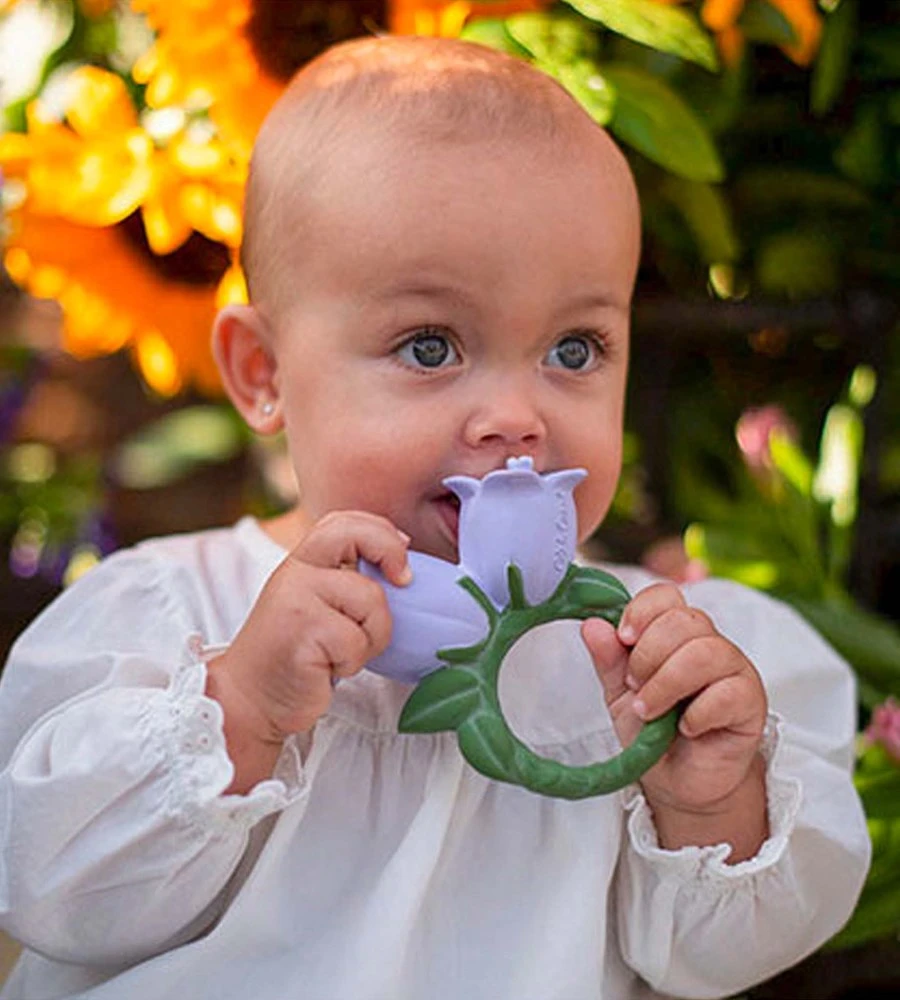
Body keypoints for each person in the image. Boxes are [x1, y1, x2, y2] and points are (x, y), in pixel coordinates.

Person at [0, 35, 870, 1000]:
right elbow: (51, 889)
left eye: (576, 350)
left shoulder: (641, 662)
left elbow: (721, 958)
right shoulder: (172, 617)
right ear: (263, 373)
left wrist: (712, 802)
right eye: (429, 346)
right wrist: (239, 710)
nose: (517, 418)